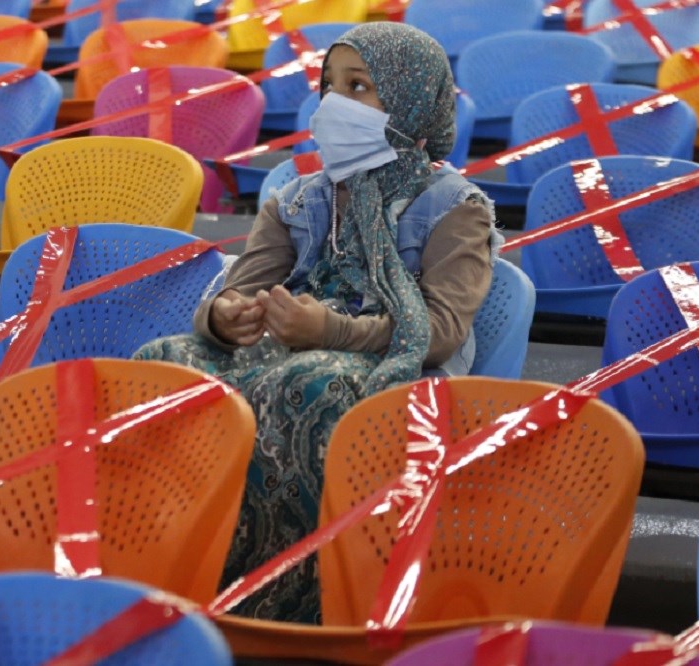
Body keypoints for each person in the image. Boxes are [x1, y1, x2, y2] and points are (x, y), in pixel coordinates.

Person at [134, 21, 501, 623]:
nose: (335, 103)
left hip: (397, 369)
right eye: (329, 85)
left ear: (409, 99)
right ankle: (167, 562)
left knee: (308, 383)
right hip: (283, 350)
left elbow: (440, 332)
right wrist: (228, 320)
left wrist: (329, 330)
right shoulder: (299, 200)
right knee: (163, 361)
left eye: (359, 86)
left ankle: (286, 596)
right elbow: (226, 301)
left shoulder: (456, 208)